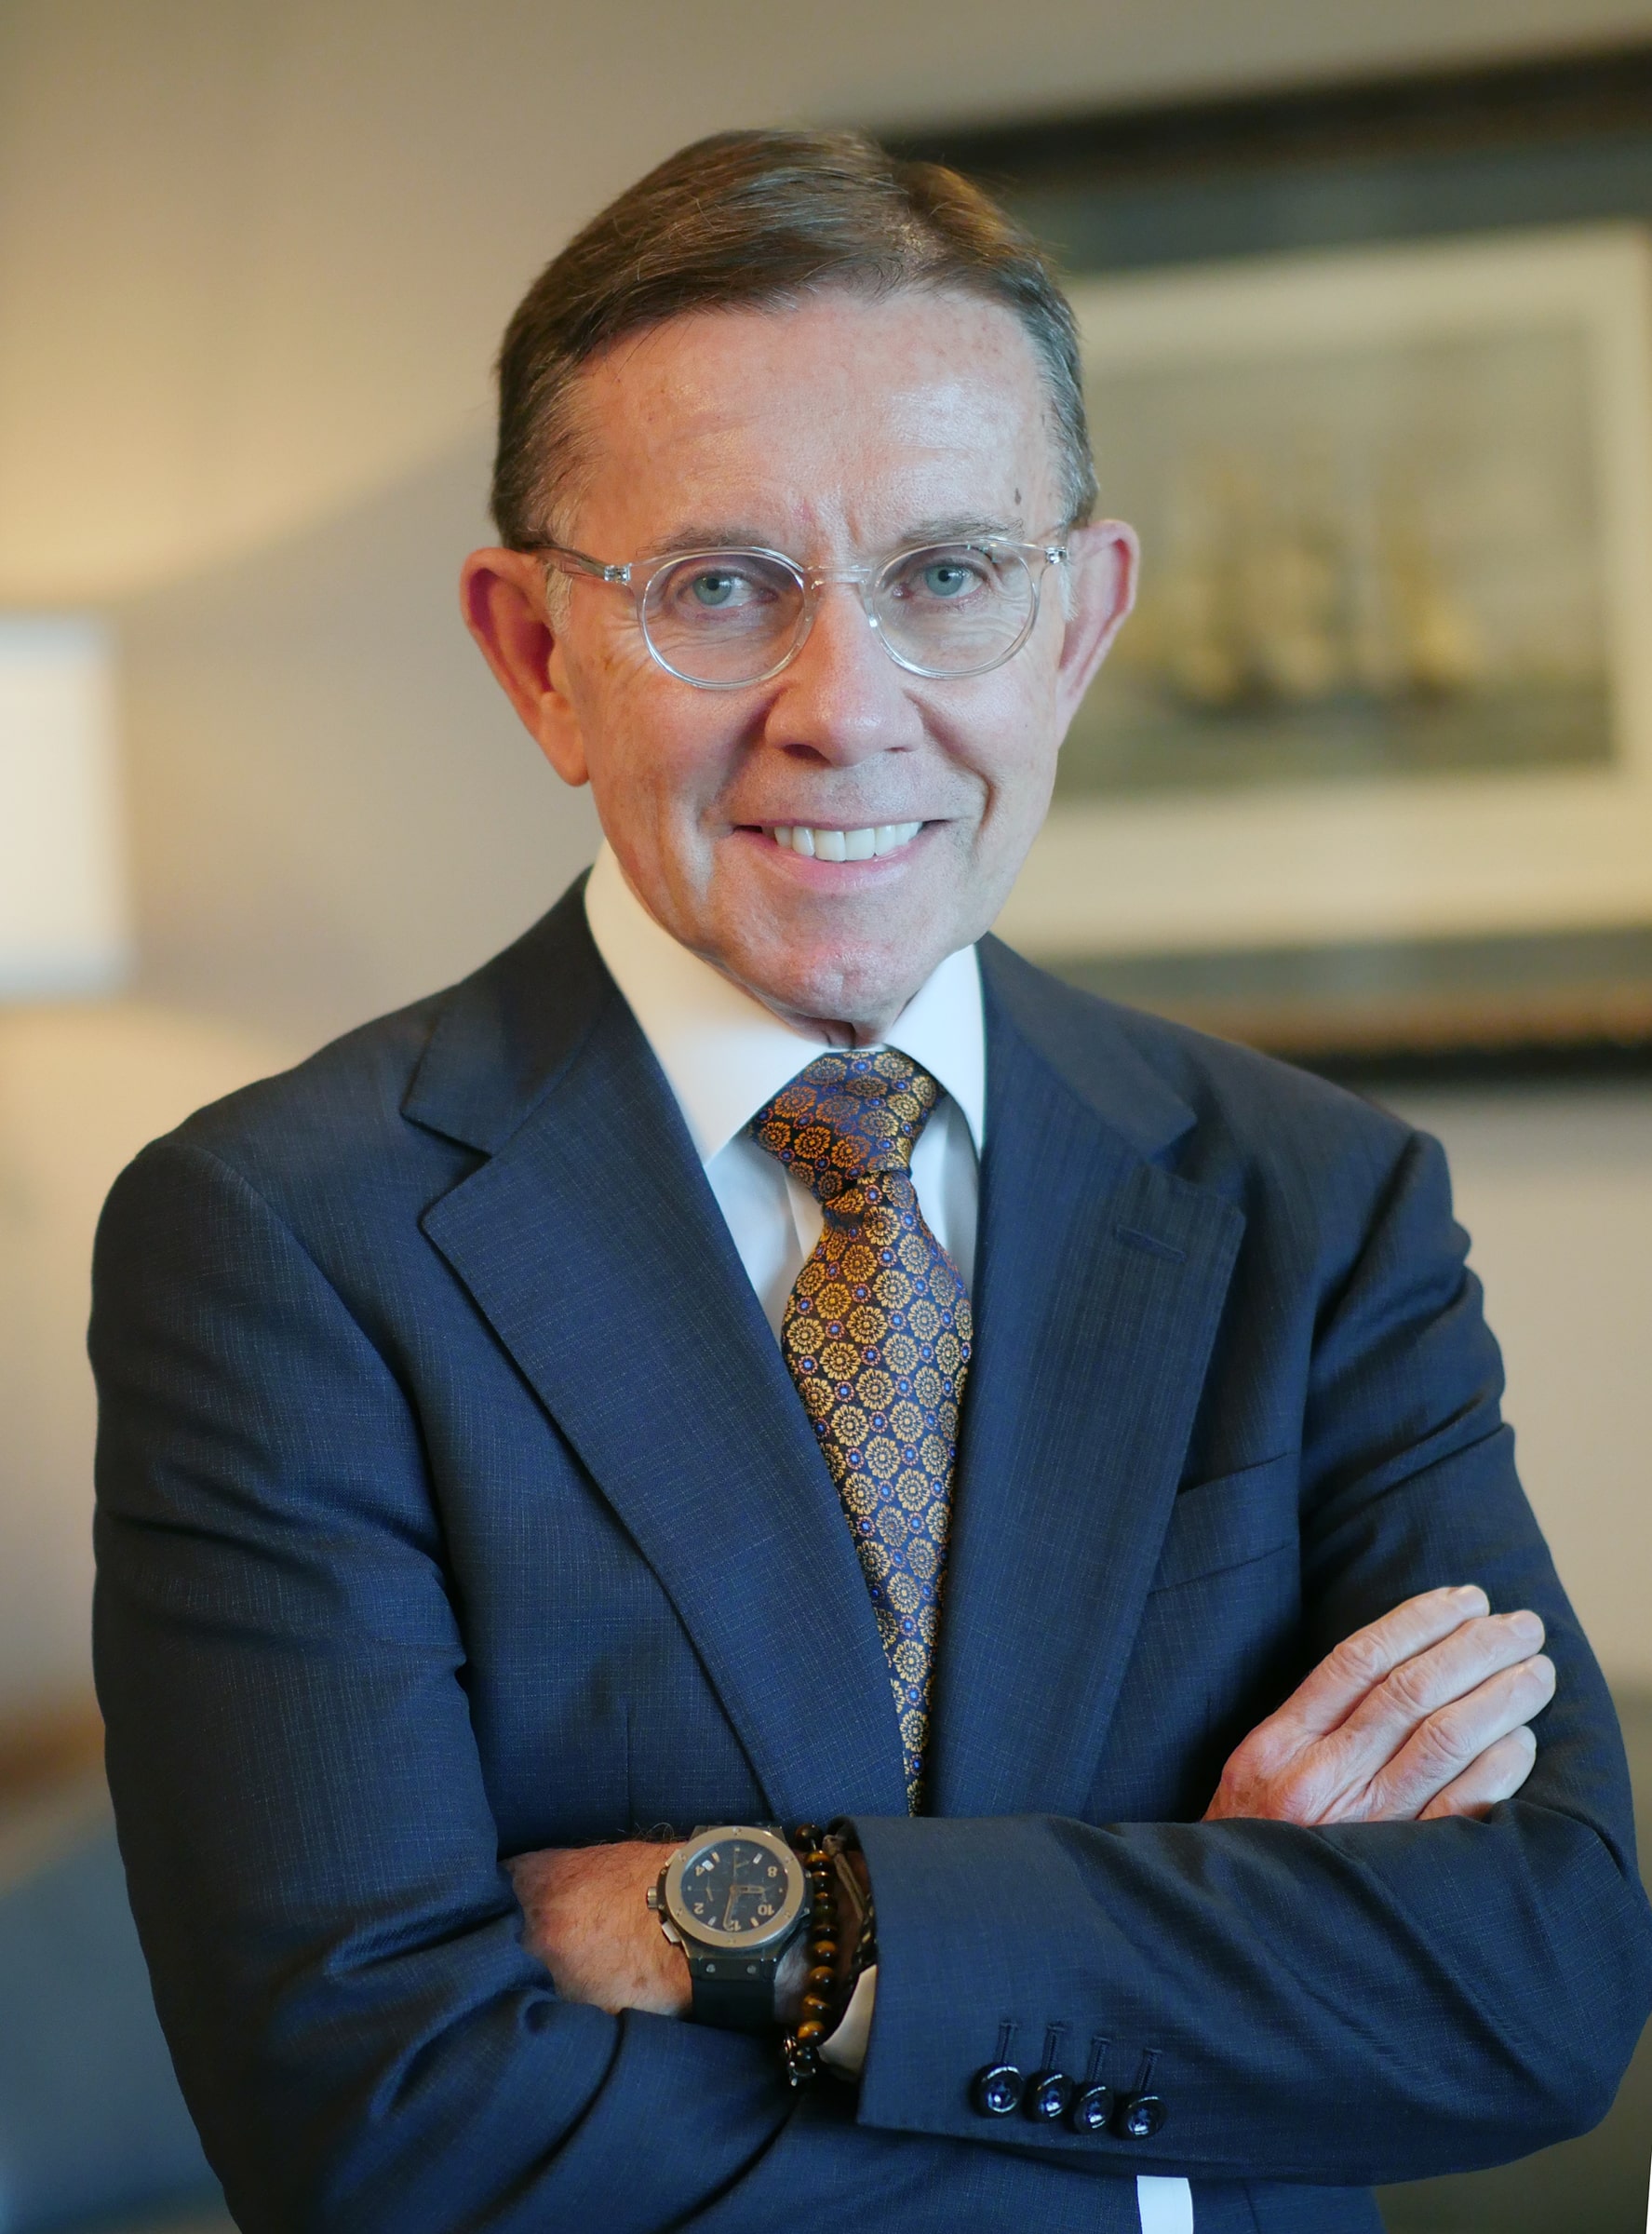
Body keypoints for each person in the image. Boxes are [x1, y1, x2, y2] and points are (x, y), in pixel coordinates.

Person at [89, 130, 1651, 2234]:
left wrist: (749, 1920)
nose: (848, 712)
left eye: (945, 576)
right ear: (538, 656)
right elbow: (386, 2137)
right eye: (720, 587)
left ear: (1078, 622)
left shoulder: (1319, 1204)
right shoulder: (286, 1239)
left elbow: (1536, 1993)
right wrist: (1175, 2116)